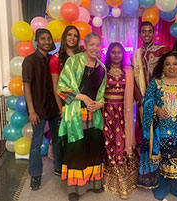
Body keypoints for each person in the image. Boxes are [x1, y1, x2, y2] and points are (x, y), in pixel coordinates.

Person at [137, 52, 177, 201]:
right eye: (167, 64)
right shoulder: (156, 82)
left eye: (175, 64)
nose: (171, 67)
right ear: (162, 67)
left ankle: (175, 186)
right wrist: (156, 109)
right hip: (160, 129)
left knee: (176, 156)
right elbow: (145, 100)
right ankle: (161, 186)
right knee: (163, 157)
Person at [57, 32, 106, 201]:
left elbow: (102, 94)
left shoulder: (102, 68)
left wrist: (99, 104)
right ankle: (74, 188)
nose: (95, 48)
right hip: (76, 114)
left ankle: (94, 183)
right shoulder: (73, 62)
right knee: (76, 149)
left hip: (94, 115)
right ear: (85, 45)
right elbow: (61, 87)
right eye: (92, 44)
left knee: (92, 148)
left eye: (98, 45)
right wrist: (83, 97)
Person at [22, 28, 62, 190]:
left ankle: (59, 169)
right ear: (36, 42)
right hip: (37, 109)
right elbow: (26, 87)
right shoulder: (30, 61)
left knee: (58, 140)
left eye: (49, 39)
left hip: (53, 107)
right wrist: (31, 111)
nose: (47, 42)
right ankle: (35, 175)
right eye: (43, 39)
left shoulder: (54, 59)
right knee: (36, 144)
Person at [102, 42, 138, 199]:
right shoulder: (103, 71)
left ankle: (123, 180)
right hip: (106, 112)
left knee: (121, 142)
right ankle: (111, 178)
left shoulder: (128, 71)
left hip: (124, 112)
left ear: (123, 54)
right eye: (113, 52)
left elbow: (135, 91)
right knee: (109, 142)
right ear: (109, 54)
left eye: (119, 52)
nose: (116, 55)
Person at [133, 21, 170, 147]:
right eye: (144, 32)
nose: (146, 34)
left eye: (149, 31)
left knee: (162, 131)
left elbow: (170, 75)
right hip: (144, 100)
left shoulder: (163, 51)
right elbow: (134, 80)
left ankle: (162, 159)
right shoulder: (136, 54)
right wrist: (140, 100)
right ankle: (148, 160)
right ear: (140, 34)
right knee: (147, 133)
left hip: (161, 99)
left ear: (154, 33)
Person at [49, 25, 82, 114]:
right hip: (67, 102)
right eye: (69, 35)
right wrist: (61, 109)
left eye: (75, 36)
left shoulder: (83, 55)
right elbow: (56, 86)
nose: (72, 38)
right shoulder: (56, 58)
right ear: (64, 37)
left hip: (83, 100)